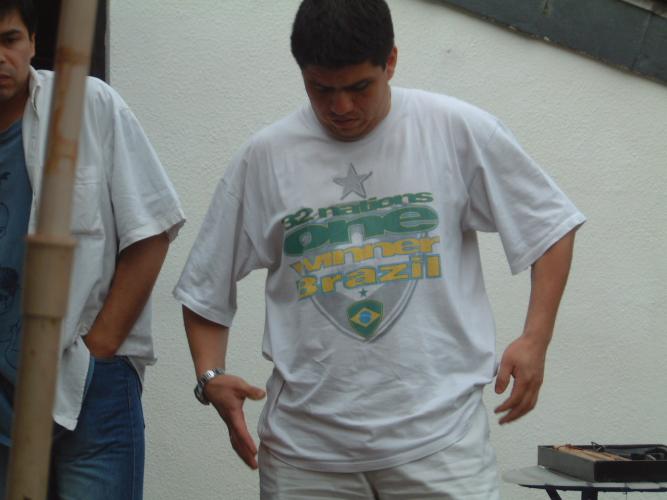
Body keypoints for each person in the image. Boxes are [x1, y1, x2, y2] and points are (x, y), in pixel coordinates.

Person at [174, 0, 585, 498]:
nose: (341, 107)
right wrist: (210, 375)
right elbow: (205, 287)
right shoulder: (265, 158)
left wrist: (535, 339)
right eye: (321, 89)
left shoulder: (456, 131)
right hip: (306, 458)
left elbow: (550, 226)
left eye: (359, 87)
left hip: (441, 446)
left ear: (390, 61)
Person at [0, 0, 185, 498]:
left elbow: (151, 229)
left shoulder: (86, 105)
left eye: (9, 39)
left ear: (33, 42)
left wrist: (100, 349)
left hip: (85, 381)